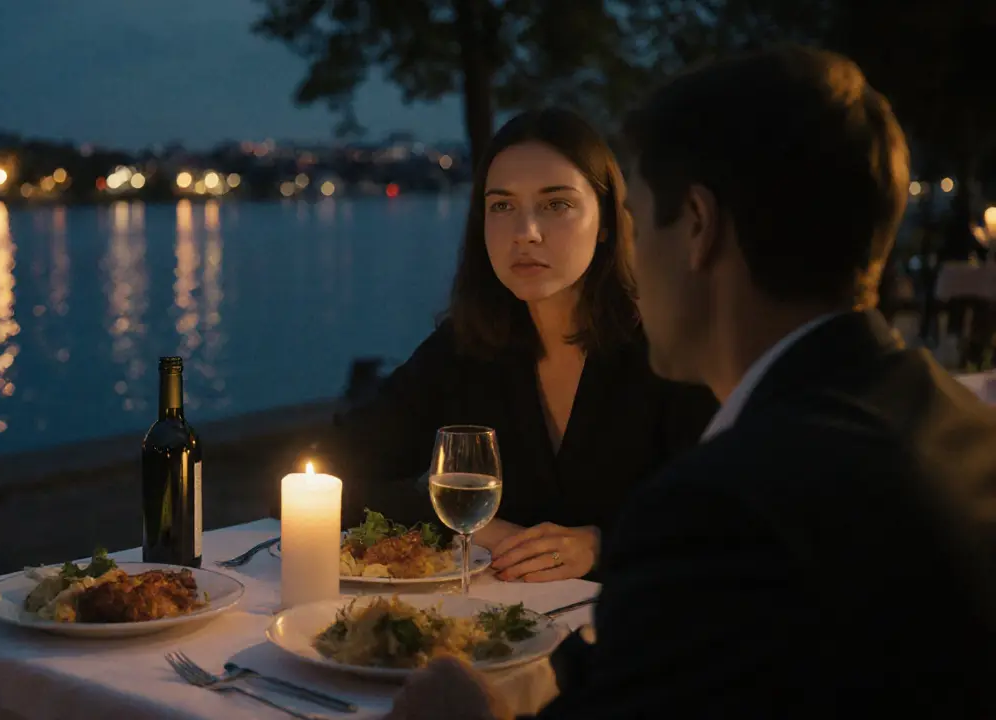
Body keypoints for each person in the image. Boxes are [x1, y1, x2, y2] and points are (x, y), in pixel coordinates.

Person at [387, 45, 996, 718]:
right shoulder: (964, 429)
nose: (633, 261)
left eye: (640, 228)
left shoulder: (725, 509)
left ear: (698, 229)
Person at [310, 107, 717, 583]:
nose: (525, 232)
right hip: (496, 627)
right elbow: (329, 474)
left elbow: (725, 517)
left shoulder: (673, 350)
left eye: (556, 204)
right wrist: (471, 526)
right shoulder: (466, 348)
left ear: (606, 221)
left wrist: (604, 544)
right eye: (501, 206)